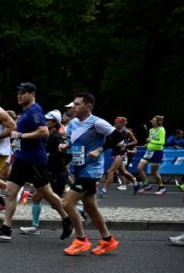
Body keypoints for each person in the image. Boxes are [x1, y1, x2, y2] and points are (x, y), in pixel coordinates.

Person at [0, 83, 72, 242]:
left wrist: (20, 136)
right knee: (11, 192)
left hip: (33, 161)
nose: (19, 96)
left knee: (47, 193)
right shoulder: (25, 112)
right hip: (21, 159)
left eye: (23, 93)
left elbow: (43, 131)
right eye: (18, 93)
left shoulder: (35, 111)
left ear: (32, 94)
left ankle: (67, 219)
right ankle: (6, 229)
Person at [59, 92, 120, 255]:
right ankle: (108, 240)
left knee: (67, 203)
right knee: (91, 207)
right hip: (78, 167)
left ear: (88, 106)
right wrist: (65, 146)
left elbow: (118, 137)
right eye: (74, 104)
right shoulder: (72, 124)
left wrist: (100, 150)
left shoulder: (97, 123)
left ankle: (80, 240)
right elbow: (71, 141)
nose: (74, 107)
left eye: (78, 104)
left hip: (91, 170)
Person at [21, 110, 68, 236]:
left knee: (55, 203)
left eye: (47, 120)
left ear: (54, 123)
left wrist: (48, 157)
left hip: (57, 174)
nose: (44, 121)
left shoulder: (56, 137)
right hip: (50, 173)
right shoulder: (47, 136)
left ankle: (77, 214)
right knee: (37, 198)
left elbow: (64, 154)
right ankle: (35, 227)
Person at [101, 116, 137, 195]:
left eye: (118, 123)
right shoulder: (112, 130)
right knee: (123, 172)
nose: (116, 124)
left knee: (110, 171)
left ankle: (103, 191)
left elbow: (135, 141)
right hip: (114, 152)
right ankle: (136, 183)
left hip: (122, 153)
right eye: (115, 123)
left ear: (122, 124)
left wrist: (126, 144)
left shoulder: (127, 132)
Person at [134, 115, 166, 195]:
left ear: (158, 122)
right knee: (139, 168)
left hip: (157, 152)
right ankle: (146, 185)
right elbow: (150, 140)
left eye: (153, 120)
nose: (151, 121)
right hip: (149, 151)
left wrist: (151, 141)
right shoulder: (151, 130)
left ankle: (162, 187)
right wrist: (147, 144)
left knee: (153, 173)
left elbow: (162, 142)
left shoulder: (161, 129)